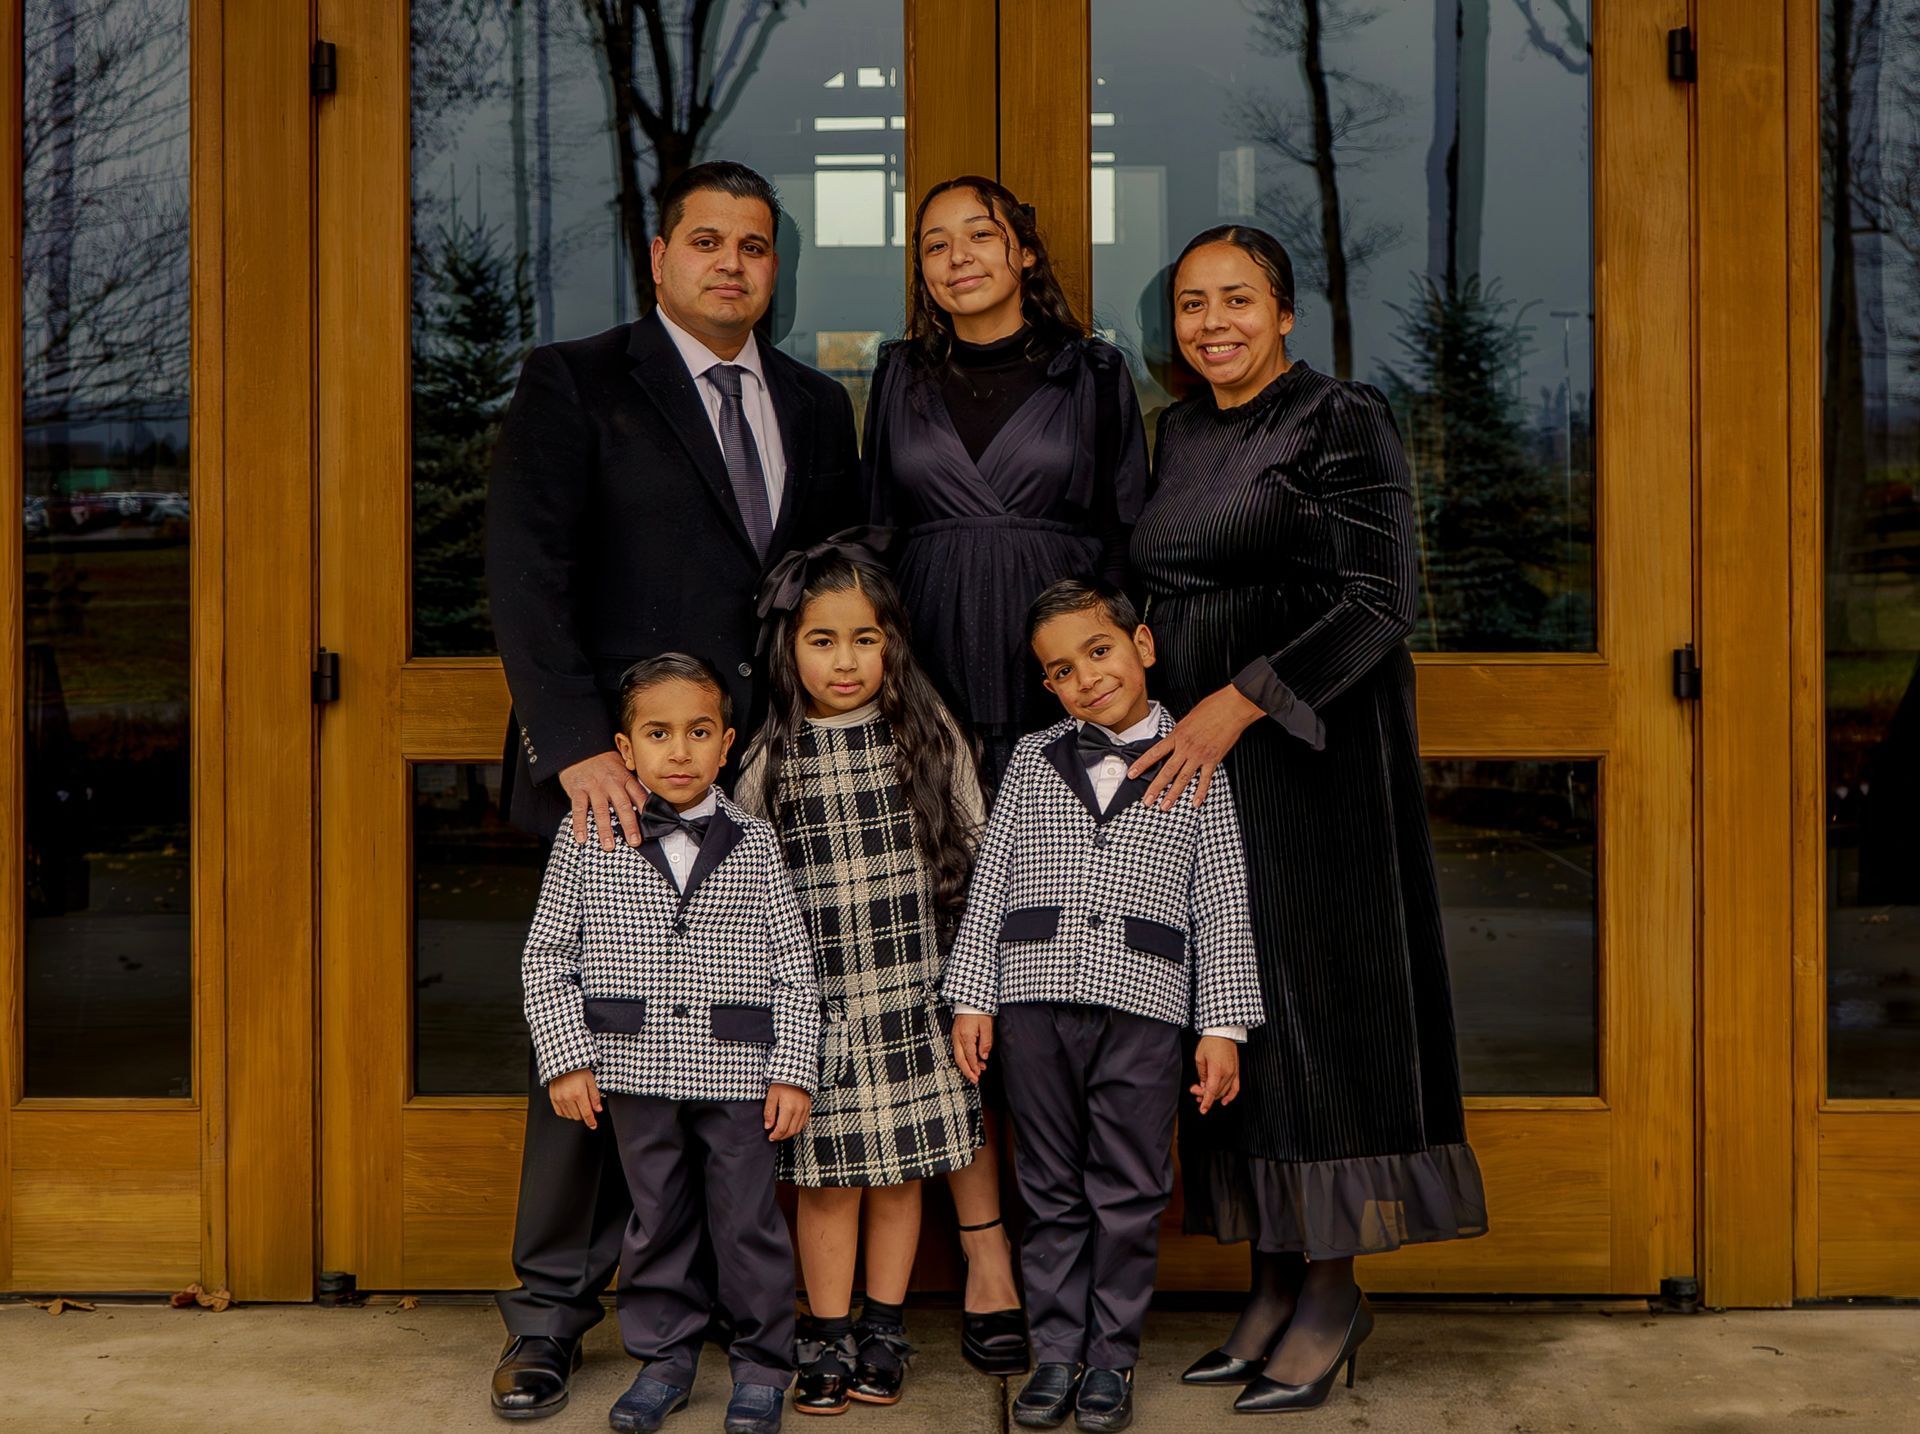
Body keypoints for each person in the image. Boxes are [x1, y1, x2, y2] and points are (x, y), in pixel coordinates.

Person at [484, 159, 863, 1419]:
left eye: (756, 246)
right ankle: (548, 1316)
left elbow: (829, 582)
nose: (732, 265)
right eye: (708, 241)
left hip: (766, 772)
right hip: (617, 770)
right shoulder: (577, 381)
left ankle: (720, 1312)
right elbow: (526, 577)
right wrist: (573, 740)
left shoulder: (813, 406)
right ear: (659, 256)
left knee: (738, 1036)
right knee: (598, 1039)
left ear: (776, 266)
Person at [1128, 226, 1489, 1415]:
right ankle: (1272, 1280)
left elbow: (1382, 596)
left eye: (1238, 300)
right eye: (1191, 304)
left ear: (1285, 314)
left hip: (1311, 758)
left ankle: (1330, 1291)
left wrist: (1238, 701)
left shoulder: (1341, 417)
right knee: (1241, 1010)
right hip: (1201, 767)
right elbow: (1171, 576)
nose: (1212, 322)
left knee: (1316, 1007)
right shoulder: (1181, 429)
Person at [862, 177, 1150, 1371]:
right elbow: (876, 541)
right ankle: (986, 1252)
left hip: (1056, 700)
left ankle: (1076, 1256)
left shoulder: (1093, 375)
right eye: (934, 242)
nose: (957, 255)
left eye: (980, 233)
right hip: (929, 704)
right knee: (948, 986)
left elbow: (1132, 544)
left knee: (1056, 984)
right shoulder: (895, 376)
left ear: (1026, 250)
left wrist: (1121, 704)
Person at [940, 578, 1267, 1434]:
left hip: (1146, 1008)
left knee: (1128, 1188)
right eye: (1062, 670)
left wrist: (1222, 1025)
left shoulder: (1199, 762)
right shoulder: (1033, 763)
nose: (1087, 677)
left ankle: (1111, 1359)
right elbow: (992, 882)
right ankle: (1056, 1353)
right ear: (1047, 688)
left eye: (1099, 651)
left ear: (1143, 647)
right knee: (1046, 1188)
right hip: (1033, 1002)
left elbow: (1224, 900)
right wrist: (973, 998)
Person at [521, 654, 818, 1434]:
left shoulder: (757, 843)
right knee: (655, 1217)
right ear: (626, 750)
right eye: (659, 733)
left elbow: (794, 966)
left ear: (728, 745)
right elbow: (548, 954)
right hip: (632, 1064)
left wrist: (793, 1073)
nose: (679, 752)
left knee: (747, 1219)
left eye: (697, 733)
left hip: (738, 1070)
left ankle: (761, 1365)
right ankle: (666, 1358)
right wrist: (568, 1057)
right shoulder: (585, 836)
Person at [732, 536, 986, 1415]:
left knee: (900, 1176)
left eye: (865, 640)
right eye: (822, 640)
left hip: (916, 998)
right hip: (824, 1013)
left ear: (893, 645)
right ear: (788, 649)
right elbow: (745, 898)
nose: (845, 661)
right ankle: (827, 1330)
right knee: (829, 1180)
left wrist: (970, 992)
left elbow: (981, 861)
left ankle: (885, 1324)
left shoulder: (928, 733)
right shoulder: (770, 758)